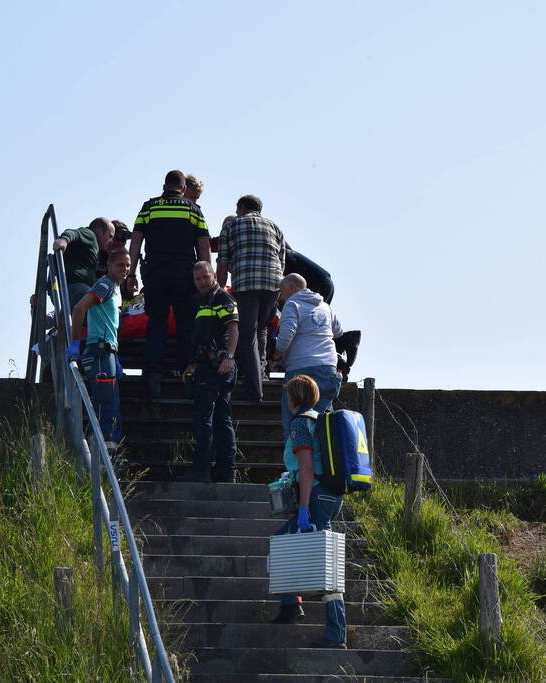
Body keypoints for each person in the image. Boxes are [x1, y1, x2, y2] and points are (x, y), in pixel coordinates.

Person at [268, 374, 347, 648]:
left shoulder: (301, 423)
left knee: (326, 567)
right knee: (284, 541)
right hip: (328, 495)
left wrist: (303, 510)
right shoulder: (317, 419)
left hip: (315, 496)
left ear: (293, 398)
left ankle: (336, 634)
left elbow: (307, 468)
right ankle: (291, 605)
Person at [128, 170, 212, 399]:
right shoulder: (193, 209)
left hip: (154, 273)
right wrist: (209, 279)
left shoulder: (149, 207)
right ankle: (184, 373)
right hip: (185, 274)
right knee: (186, 324)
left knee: (157, 323)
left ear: (164, 185)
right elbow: (203, 247)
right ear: (183, 189)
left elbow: (136, 241)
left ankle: (153, 374)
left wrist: (131, 273)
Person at [216, 195, 285, 402]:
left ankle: (254, 390)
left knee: (247, 334)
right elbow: (282, 262)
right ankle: (261, 374)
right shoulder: (275, 227)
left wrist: (219, 290)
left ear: (242, 207)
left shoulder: (232, 226)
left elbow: (222, 261)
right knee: (261, 328)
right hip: (273, 286)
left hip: (246, 284)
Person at [66, 248, 132, 453]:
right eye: (120, 265)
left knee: (110, 404)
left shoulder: (114, 288)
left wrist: (116, 357)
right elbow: (79, 308)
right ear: (110, 266)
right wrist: (75, 343)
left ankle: (107, 453)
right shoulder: (105, 284)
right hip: (100, 352)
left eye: (128, 265)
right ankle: (106, 457)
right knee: (107, 405)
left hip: (108, 352)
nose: (125, 269)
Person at [179, 261, 239, 483]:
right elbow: (203, 337)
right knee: (220, 420)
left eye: (206, 277)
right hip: (206, 366)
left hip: (219, 366)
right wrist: (192, 364)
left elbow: (233, 328)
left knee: (206, 419)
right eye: (198, 279)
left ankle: (202, 470)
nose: (202, 282)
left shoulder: (222, 297)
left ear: (214, 276)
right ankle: (225, 472)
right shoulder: (203, 300)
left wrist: (229, 358)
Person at [273, 273, 343, 437]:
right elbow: (338, 331)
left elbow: (286, 334)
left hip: (301, 370)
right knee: (322, 426)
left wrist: (276, 356)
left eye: (282, 293)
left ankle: (300, 462)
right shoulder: (324, 305)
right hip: (328, 369)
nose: (281, 298)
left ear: (292, 288)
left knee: (296, 425)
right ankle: (322, 461)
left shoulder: (293, 303)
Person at [53, 218, 116, 307]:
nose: (111, 241)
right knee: (103, 307)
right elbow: (75, 233)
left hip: (70, 290)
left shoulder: (93, 247)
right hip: (73, 288)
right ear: (99, 231)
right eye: (110, 236)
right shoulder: (91, 235)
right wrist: (64, 240)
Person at [95, 220, 136, 300]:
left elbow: (127, 293)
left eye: (121, 246)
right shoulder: (95, 251)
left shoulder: (122, 257)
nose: (118, 249)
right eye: (116, 245)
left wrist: (127, 308)